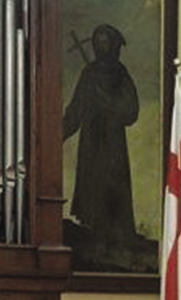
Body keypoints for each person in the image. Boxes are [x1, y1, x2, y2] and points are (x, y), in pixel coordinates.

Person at [62, 23, 146, 266]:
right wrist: (54, 135)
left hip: (113, 143)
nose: (101, 45)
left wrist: (108, 101)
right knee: (92, 187)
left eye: (105, 41)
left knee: (114, 187)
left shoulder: (121, 74)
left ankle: (119, 237)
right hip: (92, 142)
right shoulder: (89, 74)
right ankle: (96, 238)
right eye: (97, 41)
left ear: (113, 45)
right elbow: (76, 110)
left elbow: (131, 111)